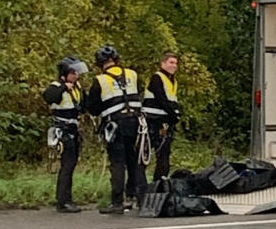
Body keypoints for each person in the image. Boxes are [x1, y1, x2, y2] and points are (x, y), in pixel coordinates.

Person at [86, 44, 148, 215]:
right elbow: (139, 92)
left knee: (118, 163)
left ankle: (117, 202)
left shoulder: (100, 80)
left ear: (100, 63)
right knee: (135, 160)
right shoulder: (132, 74)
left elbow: (93, 108)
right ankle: (139, 198)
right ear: (116, 59)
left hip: (115, 125)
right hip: (136, 122)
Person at [42, 58, 88, 213]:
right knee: (66, 166)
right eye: (73, 73)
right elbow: (49, 97)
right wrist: (63, 88)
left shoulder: (77, 88)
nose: (76, 76)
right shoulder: (56, 86)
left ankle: (67, 198)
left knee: (71, 164)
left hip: (74, 129)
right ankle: (63, 201)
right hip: (63, 130)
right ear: (65, 74)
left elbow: (83, 107)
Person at [143, 52, 180, 181]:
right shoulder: (157, 78)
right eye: (171, 62)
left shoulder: (173, 80)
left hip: (165, 122)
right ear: (163, 63)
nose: (174, 66)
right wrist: (173, 115)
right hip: (152, 120)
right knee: (144, 155)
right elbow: (161, 99)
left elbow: (171, 101)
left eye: (175, 63)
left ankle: (159, 184)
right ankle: (138, 187)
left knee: (164, 155)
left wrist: (176, 114)